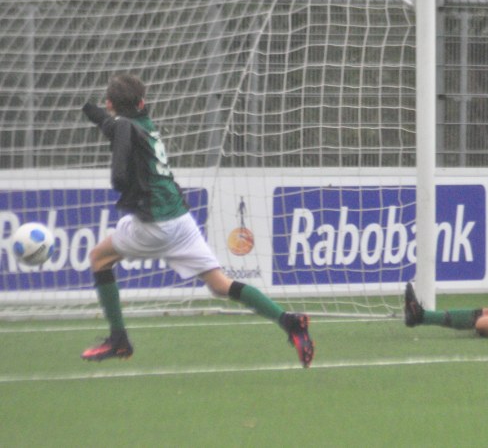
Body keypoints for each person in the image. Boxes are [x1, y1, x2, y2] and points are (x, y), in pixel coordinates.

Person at [81, 73, 314, 367]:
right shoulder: (143, 124)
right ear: (142, 102)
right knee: (219, 284)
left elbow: (119, 174)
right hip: (180, 220)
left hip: (154, 224)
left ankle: (118, 339)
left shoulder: (125, 127)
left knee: (99, 258)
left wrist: (125, 184)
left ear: (111, 103)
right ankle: (289, 322)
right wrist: (93, 111)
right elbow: (115, 125)